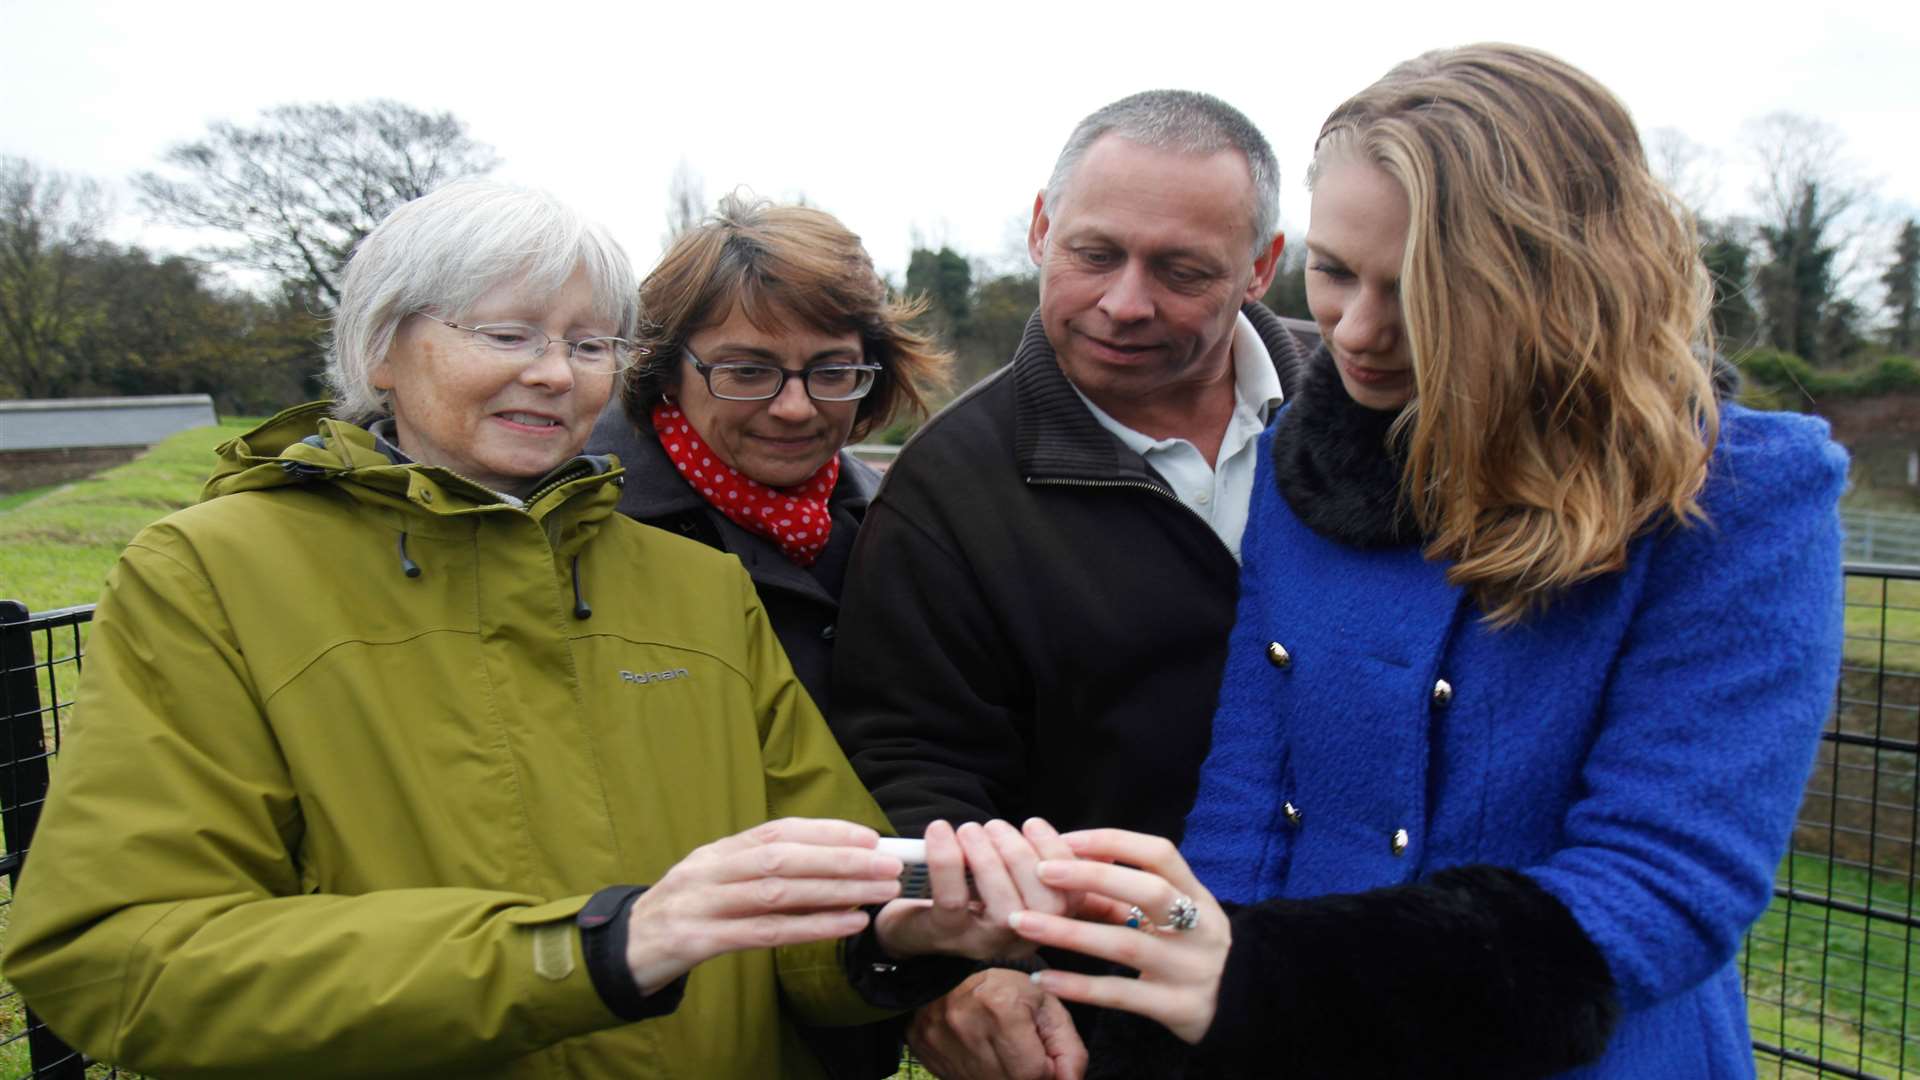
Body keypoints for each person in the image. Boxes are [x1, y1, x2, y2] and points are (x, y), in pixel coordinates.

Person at [0, 181, 1051, 1079]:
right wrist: (584, 954)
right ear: (380, 351)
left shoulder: (693, 586)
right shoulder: (212, 575)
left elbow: (811, 901)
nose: (555, 373)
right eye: (506, 335)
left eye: (589, 343)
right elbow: (114, 953)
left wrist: (901, 932)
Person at [1001, 44, 1848, 1079]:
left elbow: (1667, 883)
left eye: (1420, 293)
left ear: (1554, 281)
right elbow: (1249, 792)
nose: (1353, 332)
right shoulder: (1303, 462)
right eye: (1337, 271)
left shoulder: (1736, 492)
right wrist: (1188, 1010)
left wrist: (1263, 984)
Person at [827, 90, 1309, 1078]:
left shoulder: (1369, 412)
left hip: (1382, 982)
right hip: (1113, 1020)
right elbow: (914, 769)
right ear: (1043, 227)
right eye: (1095, 253)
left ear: (1262, 265)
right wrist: (950, 969)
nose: (1125, 302)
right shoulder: (948, 493)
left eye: (1181, 271)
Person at [585, 194, 947, 717]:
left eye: (831, 371)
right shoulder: (578, 527)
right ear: (666, 370)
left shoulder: (898, 524)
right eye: (749, 372)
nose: (795, 409)